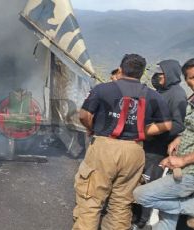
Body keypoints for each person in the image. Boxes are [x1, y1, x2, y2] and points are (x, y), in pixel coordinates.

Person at [72, 54, 172, 230]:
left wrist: (91, 128)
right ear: (141, 73)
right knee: (121, 204)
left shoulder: (103, 89)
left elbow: (84, 115)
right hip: (134, 150)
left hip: (105, 147)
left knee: (91, 200)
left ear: (120, 69)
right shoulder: (153, 95)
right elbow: (167, 124)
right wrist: (142, 131)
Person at [134, 58, 194, 230]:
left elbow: (177, 124)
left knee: (142, 194)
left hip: (185, 166)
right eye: (189, 78)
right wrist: (179, 139)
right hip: (178, 162)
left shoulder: (177, 95)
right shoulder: (188, 98)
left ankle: (189, 208)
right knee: (167, 219)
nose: (191, 82)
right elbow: (187, 128)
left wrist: (182, 160)